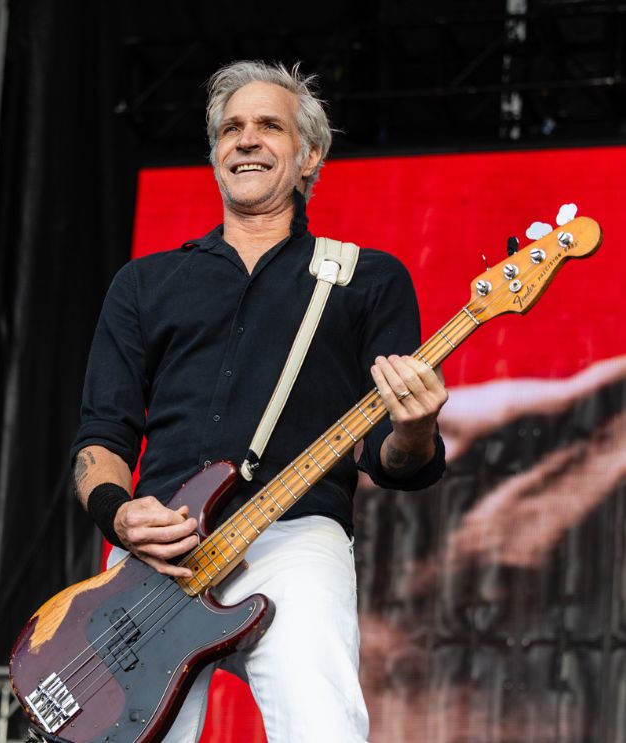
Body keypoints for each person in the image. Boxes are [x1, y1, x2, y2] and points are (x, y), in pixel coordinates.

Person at [70, 61, 448, 741]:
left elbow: (391, 457)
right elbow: (101, 437)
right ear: (214, 155)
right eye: (231, 128)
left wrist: (414, 427)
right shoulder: (143, 283)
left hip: (293, 536)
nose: (245, 139)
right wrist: (118, 514)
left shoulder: (368, 279)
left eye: (268, 126)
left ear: (308, 159)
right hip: (158, 550)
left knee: (320, 722)